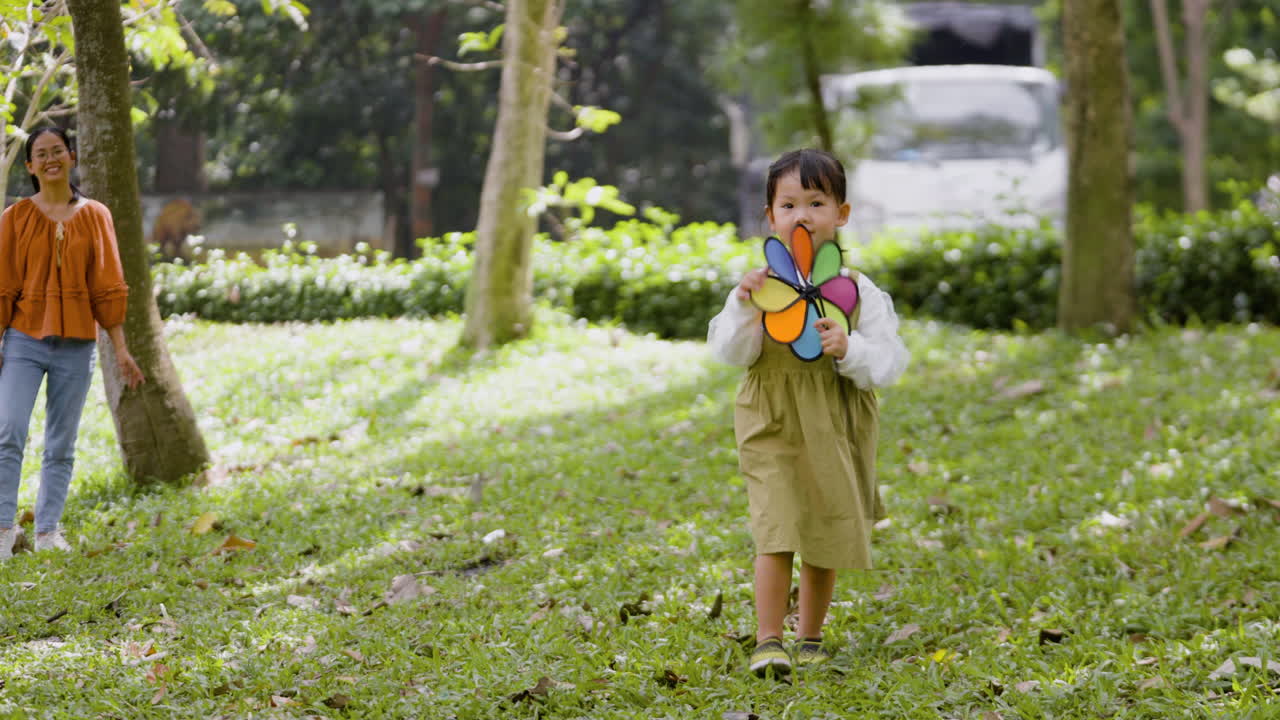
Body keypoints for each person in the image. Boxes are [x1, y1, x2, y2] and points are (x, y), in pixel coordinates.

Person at [707, 148, 910, 676]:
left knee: (824, 526)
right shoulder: (759, 288)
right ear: (770, 215)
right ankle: (768, 640)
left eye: (816, 203)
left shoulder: (857, 289)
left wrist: (850, 348)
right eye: (789, 204)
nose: (802, 215)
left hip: (835, 421)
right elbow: (730, 353)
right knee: (775, 526)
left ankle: (811, 637)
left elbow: (889, 361)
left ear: (841, 213)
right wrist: (744, 307)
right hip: (770, 418)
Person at [0, 127, 145, 559]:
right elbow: (3, 285)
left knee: (61, 443)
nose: (51, 159)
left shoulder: (96, 215)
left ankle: (47, 532)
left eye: (57, 151)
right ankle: (3, 529)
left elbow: (107, 285)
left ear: (72, 157)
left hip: (77, 346)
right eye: (41, 154)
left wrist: (121, 349)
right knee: (8, 431)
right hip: (24, 341)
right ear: (30, 166)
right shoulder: (14, 218)